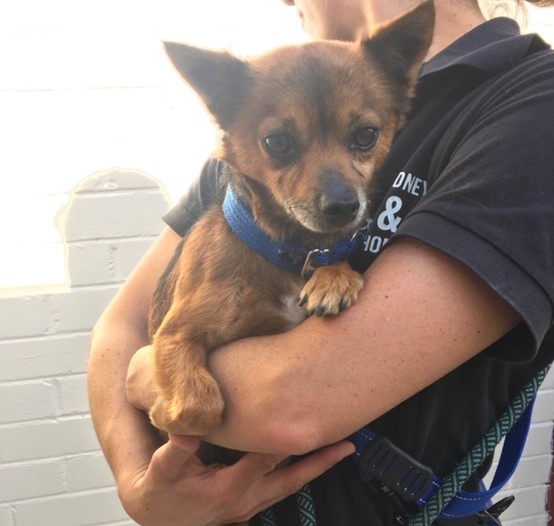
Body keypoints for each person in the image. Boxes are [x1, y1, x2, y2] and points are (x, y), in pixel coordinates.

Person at [88, 0, 554, 524]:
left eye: (362, 138)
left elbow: (292, 408)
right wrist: (140, 489)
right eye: (280, 144)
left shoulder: (533, 104)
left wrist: (147, 374)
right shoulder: (250, 135)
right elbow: (122, 326)